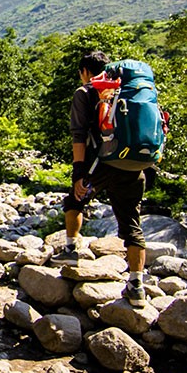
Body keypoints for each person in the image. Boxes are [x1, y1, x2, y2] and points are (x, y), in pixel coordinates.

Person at [60, 50, 150, 305]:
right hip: (133, 165)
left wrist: (79, 173)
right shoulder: (130, 92)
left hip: (99, 164)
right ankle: (136, 285)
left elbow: (79, 135)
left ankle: (70, 251)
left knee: (74, 201)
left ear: (85, 72)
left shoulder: (86, 92)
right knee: (132, 222)